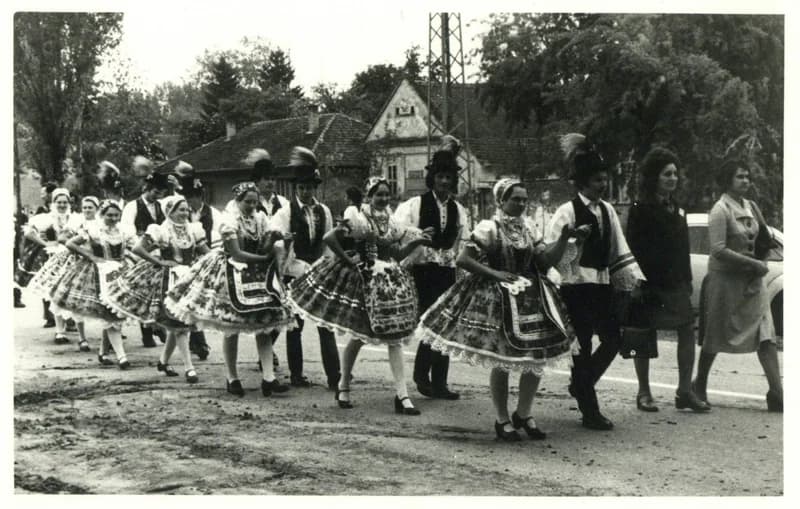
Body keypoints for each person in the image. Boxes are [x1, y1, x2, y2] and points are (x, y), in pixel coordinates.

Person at [416, 179, 578, 440]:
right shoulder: (488, 227)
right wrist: (496, 274)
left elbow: (545, 261)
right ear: (501, 201)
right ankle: (502, 418)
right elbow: (463, 259)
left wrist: (563, 239)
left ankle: (523, 413)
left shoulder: (529, 227)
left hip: (530, 296)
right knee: (502, 359)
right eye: (516, 199)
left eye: (525, 199)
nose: (522, 204)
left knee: (535, 357)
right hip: (497, 298)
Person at [289, 176, 433, 414]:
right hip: (364, 280)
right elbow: (329, 238)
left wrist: (416, 240)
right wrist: (347, 260)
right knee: (358, 335)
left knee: (394, 337)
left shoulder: (392, 220)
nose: (383, 198)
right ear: (369, 196)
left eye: (387, 194)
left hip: (386, 280)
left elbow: (396, 252)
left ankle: (403, 395)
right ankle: (344, 385)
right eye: (379, 194)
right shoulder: (359, 218)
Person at [546, 133, 645, 431]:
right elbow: (554, 251)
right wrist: (575, 240)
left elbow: (617, 246)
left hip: (601, 285)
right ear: (582, 182)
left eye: (604, 179)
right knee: (583, 345)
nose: (602, 185)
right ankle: (590, 410)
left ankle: (581, 383)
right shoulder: (566, 211)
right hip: (575, 286)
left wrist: (628, 280)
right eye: (597, 180)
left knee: (613, 339)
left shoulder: (607, 210)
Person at [165, 182, 294, 397]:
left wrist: (279, 244)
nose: (252, 205)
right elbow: (236, 253)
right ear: (238, 201)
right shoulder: (228, 220)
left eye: (255, 201)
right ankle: (232, 377)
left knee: (264, 324)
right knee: (231, 326)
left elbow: (267, 242)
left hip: (257, 272)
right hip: (232, 271)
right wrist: (264, 258)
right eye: (247, 202)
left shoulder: (261, 218)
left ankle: (269, 377)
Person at [624, 148, 710, 413]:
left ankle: (684, 392)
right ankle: (644, 392)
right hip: (649, 283)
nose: (672, 178)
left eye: (675, 173)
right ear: (654, 177)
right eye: (666, 174)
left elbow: (682, 250)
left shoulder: (679, 211)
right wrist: (636, 283)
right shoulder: (640, 210)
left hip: (675, 283)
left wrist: (687, 279)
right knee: (643, 335)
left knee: (686, 331)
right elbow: (633, 249)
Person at [694, 160, 782, 412]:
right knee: (715, 335)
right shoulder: (719, 210)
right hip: (725, 282)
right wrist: (752, 264)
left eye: (747, 176)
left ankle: (777, 392)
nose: (745, 181)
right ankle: (699, 384)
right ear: (727, 180)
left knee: (766, 334)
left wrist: (761, 262)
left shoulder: (751, 207)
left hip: (753, 283)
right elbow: (718, 250)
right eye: (739, 177)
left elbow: (765, 238)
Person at [105, 196, 210, 384]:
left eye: (187, 210)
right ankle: (189, 368)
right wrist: (159, 261)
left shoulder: (194, 230)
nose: (185, 213)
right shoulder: (160, 230)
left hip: (188, 280)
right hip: (168, 280)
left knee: (178, 325)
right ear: (170, 211)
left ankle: (163, 362)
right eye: (181, 210)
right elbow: (138, 249)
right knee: (179, 326)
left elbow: (205, 251)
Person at [393, 135, 468, 400]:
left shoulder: (459, 210)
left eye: (449, 178)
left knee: (445, 325)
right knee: (428, 323)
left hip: (447, 271)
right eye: (440, 177)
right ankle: (421, 375)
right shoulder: (414, 205)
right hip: (422, 270)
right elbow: (397, 231)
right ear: (432, 178)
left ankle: (440, 383)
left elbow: (464, 241)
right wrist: (417, 234)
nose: (444, 182)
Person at [269, 147, 342, 390]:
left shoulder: (324, 211)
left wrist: (326, 267)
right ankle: (297, 375)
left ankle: (335, 377)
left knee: (325, 326)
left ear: (315, 187)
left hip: (319, 273)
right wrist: (292, 261)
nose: (306, 191)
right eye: (301, 187)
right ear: (295, 188)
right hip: (296, 273)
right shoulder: (286, 211)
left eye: (310, 186)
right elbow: (278, 241)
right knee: (295, 326)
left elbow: (328, 243)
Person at [51, 200, 137, 369]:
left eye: (115, 215)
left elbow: (134, 248)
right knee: (110, 314)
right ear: (102, 215)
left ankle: (104, 353)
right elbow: (70, 243)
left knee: (114, 313)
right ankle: (122, 357)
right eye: (109, 215)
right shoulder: (93, 230)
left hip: (119, 272)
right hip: (99, 273)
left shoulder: (124, 231)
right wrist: (91, 257)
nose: (113, 218)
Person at [30, 196, 101, 352]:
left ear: (97, 208)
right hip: (74, 260)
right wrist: (79, 245)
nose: (87, 210)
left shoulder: (100, 223)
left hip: (97, 262)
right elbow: (62, 237)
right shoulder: (77, 222)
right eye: (85, 207)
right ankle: (63, 332)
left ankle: (111, 332)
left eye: (91, 207)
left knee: (103, 297)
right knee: (64, 295)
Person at [120, 163, 172, 348]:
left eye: (161, 193)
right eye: (155, 192)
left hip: (158, 252)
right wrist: (142, 247)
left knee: (158, 291)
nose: (158, 196)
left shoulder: (162, 207)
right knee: (143, 292)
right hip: (139, 252)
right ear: (147, 189)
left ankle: (157, 325)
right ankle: (147, 331)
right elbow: (127, 231)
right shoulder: (133, 206)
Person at [16, 187, 75, 336]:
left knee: (69, 289)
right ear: (53, 203)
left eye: (64, 202)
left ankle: (70, 321)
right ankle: (55, 324)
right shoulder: (46, 218)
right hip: (53, 256)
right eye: (59, 202)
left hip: (72, 256)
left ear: (69, 203)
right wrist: (45, 243)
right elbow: (29, 233)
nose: (62, 205)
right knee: (53, 289)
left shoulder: (74, 218)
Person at [180, 176, 224, 361]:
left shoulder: (214, 214)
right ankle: (198, 341)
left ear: (201, 197)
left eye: (193, 197)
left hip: (206, 259)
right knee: (189, 300)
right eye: (187, 197)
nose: (190, 201)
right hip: (185, 261)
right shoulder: (181, 212)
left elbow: (219, 238)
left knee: (200, 300)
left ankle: (197, 340)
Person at [225, 149, 290, 218]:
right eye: (266, 179)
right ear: (256, 181)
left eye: (273, 179)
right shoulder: (240, 203)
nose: (270, 182)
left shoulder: (284, 203)